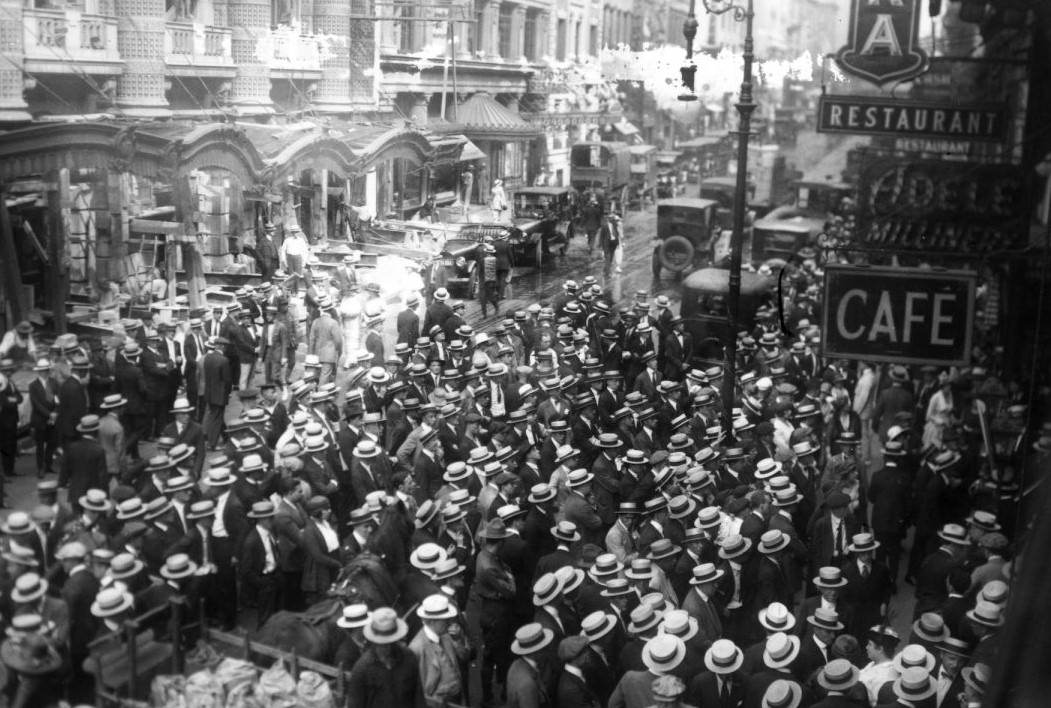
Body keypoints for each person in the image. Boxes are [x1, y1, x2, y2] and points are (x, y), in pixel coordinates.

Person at [345, 607, 426, 708]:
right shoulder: (362, 669)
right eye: (382, 643)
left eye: (390, 642)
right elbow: (355, 705)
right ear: (374, 641)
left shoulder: (409, 658)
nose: (387, 647)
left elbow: (419, 699)